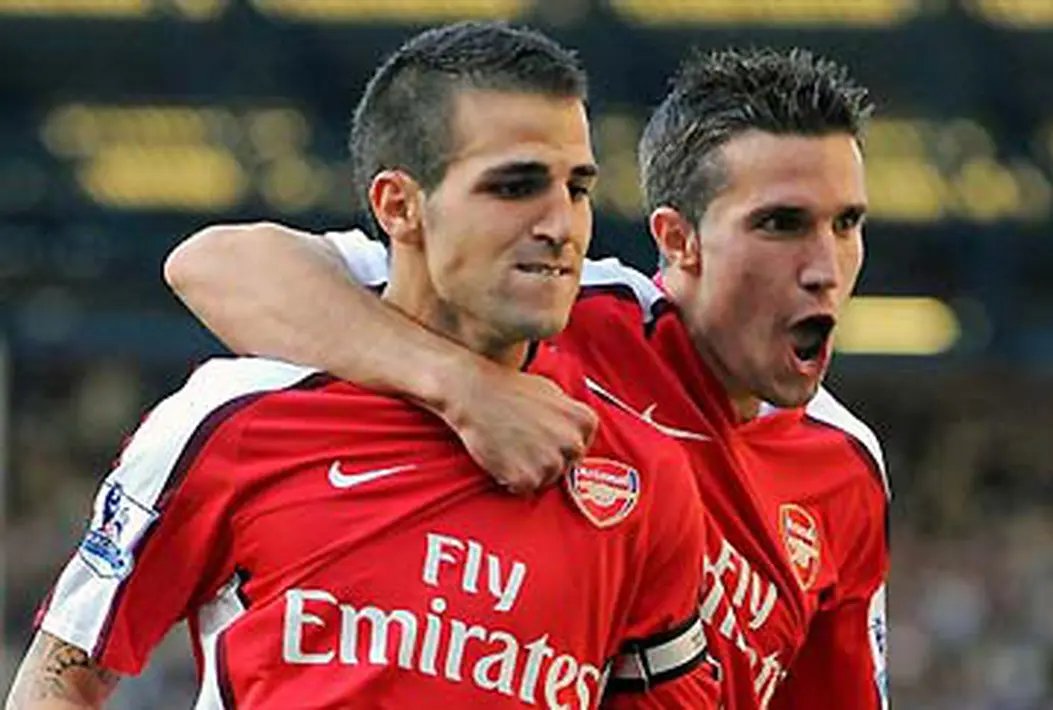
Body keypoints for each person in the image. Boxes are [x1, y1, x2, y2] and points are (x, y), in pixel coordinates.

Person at [6, 22, 718, 709]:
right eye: (513, 186)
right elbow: (57, 681)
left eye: (578, 188)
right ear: (399, 205)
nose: (561, 224)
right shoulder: (232, 420)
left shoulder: (638, 472)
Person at [165, 47, 890, 709]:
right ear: (677, 240)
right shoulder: (555, 308)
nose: (823, 268)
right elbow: (216, 265)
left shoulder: (847, 472)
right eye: (781, 224)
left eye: (847, 224)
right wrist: (463, 385)